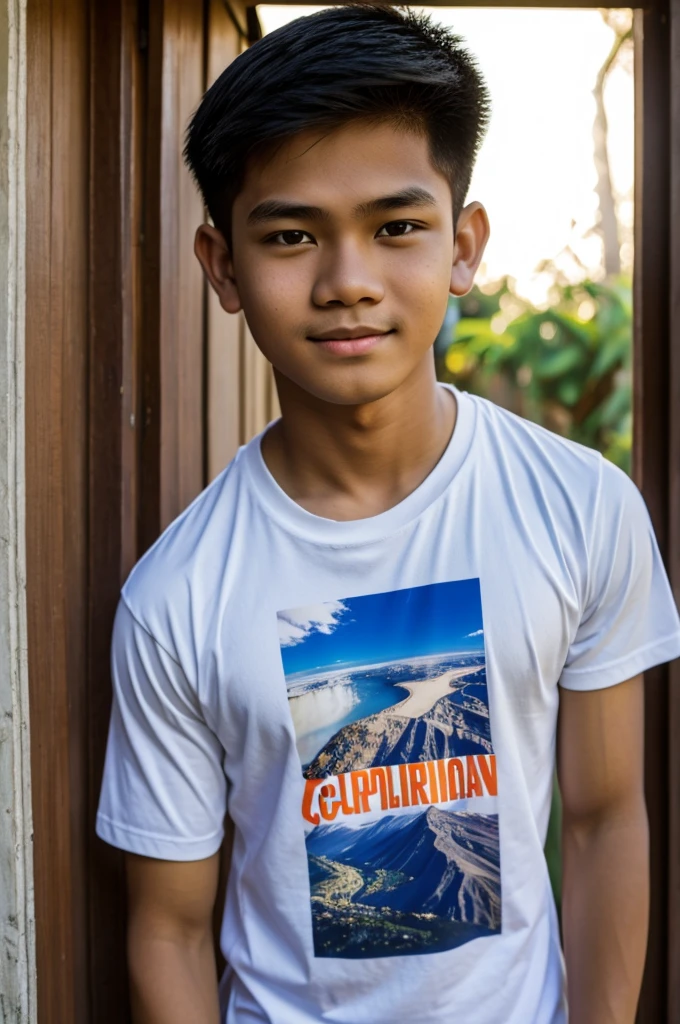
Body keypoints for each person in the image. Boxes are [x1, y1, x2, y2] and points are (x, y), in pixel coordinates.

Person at [96, 5, 680, 1023]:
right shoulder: (176, 597)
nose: (347, 282)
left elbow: (600, 819)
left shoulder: (578, 508)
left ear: (462, 246)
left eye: (394, 227)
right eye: (290, 236)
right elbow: (169, 929)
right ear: (223, 266)